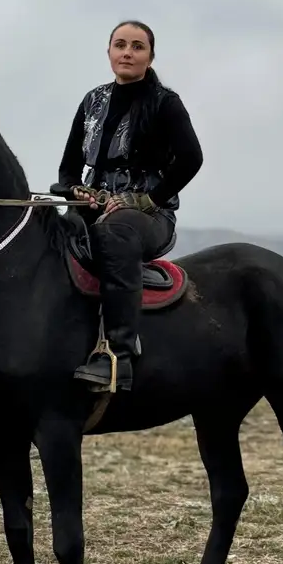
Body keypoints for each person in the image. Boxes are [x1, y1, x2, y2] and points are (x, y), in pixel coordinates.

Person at [57, 20, 204, 392]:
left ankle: (117, 357)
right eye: (120, 44)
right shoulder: (92, 100)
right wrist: (77, 191)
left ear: (150, 57)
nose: (127, 52)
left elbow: (191, 158)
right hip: (94, 206)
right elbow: (69, 166)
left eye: (137, 47)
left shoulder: (165, 103)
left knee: (116, 232)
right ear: (108, 52)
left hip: (149, 217)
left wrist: (146, 200)